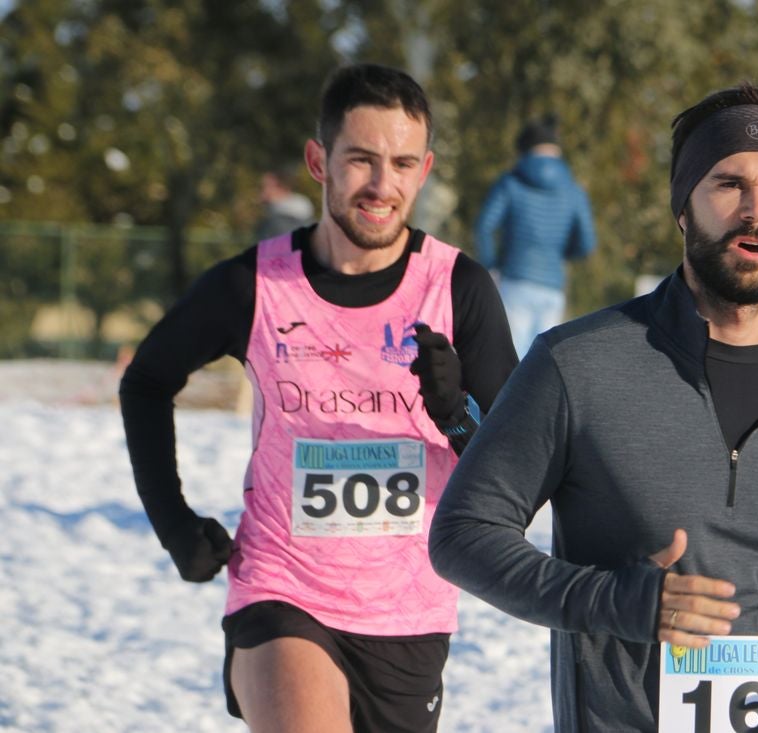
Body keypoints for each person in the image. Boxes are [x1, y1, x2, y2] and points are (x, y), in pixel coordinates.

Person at [431, 83, 758, 732]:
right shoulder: (578, 364)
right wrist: (612, 600)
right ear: (683, 207)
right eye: (729, 182)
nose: (756, 210)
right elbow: (462, 533)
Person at [119, 63, 518, 733]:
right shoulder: (256, 283)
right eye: (361, 159)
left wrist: (458, 415)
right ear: (318, 161)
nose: (381, 185)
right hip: (280, 588)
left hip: (409, 610)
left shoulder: (459, 287)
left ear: (425, 171)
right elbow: (147, 380)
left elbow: (515, 466)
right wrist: (173, 521)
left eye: (401, 163)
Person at [474, 113, 597, 356]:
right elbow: (587, 243)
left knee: (510, 359)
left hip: (514, 280)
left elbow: (484, 226)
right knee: (544, 363)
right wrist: (559, 254)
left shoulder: (510, 182)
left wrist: (491, 266)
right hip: (552, 287)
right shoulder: (573, 190)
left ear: (525, 150)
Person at [254, 165, 315, 241]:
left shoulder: (294, 210)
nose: (261, 191)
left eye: (264, 186)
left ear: (279, 187)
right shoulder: (272, 211)